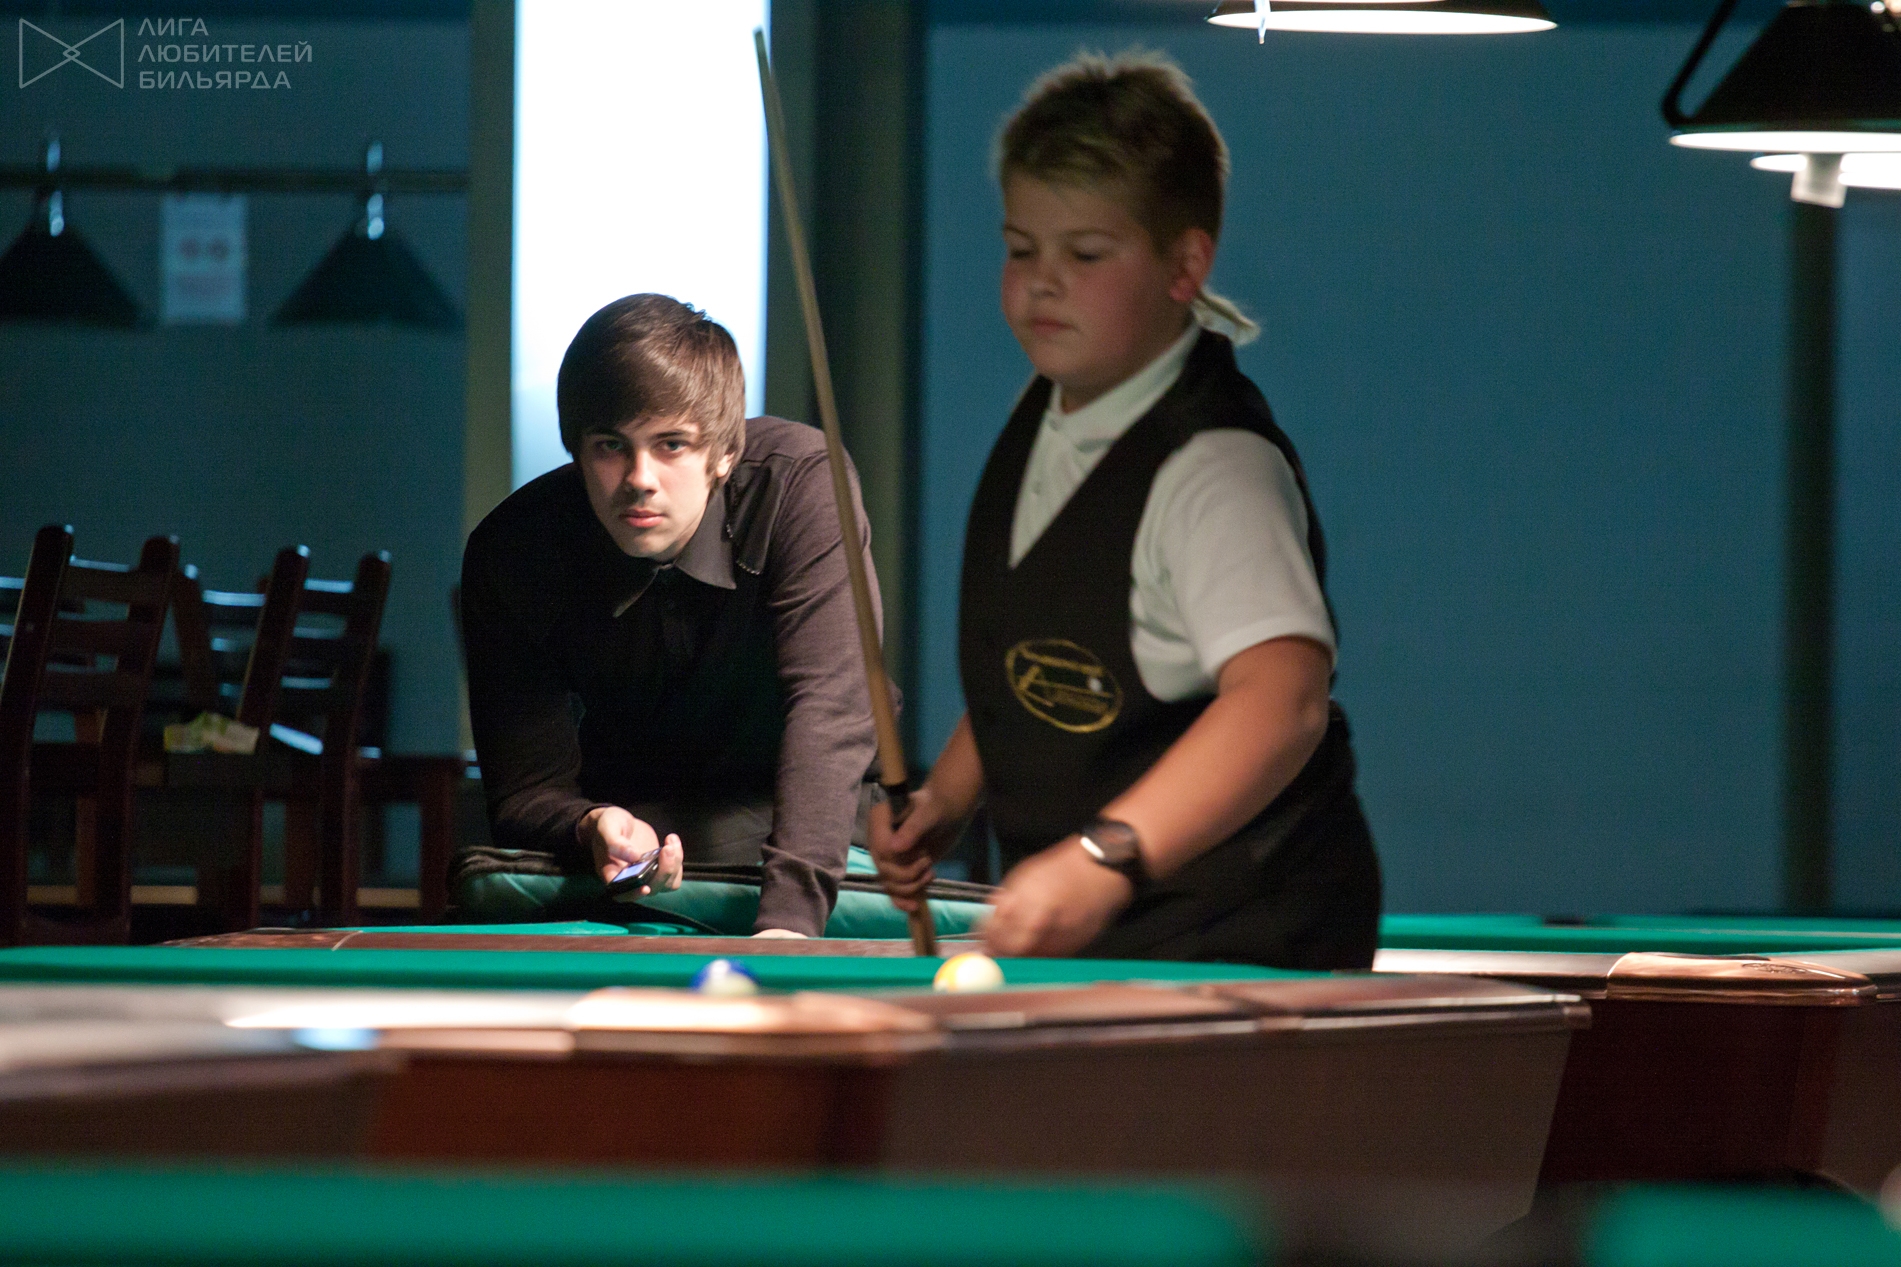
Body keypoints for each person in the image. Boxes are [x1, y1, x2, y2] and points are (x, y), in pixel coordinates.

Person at [870, 51, 1381, 968]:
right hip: (1114, 941)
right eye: (1020, 248)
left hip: (1245, 941)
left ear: (1185, 264)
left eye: (1084, 254)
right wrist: (944, 799)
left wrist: (1103, 856)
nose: (1041, 281)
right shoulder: (1050, 410)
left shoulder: (1214, 465)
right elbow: (1044, 663)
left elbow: (1284, 699)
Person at [457, 293, 887, 938]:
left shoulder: (800, 482)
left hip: (810, 815)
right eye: (611, 445)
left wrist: (787, 930)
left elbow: (831, 707)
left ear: (724, 453)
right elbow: (524, 790)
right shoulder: (515, 548)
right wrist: (589, 824)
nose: (640, 478)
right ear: (576, 451)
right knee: (485, 882)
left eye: (672, 445)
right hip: (635, 824)